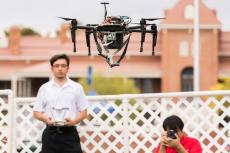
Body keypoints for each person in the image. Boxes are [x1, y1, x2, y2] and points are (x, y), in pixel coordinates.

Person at [33, 54, 90, 153]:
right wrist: (46, 119)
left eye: (63, 66)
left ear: (68, 68)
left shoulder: (77, 87)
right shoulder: (44, 88)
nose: (60, 68)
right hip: (50, 134)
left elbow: (84, 112)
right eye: (57, 66)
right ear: (52, 68)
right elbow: (36, 112)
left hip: (70, 133)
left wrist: (73, 121)